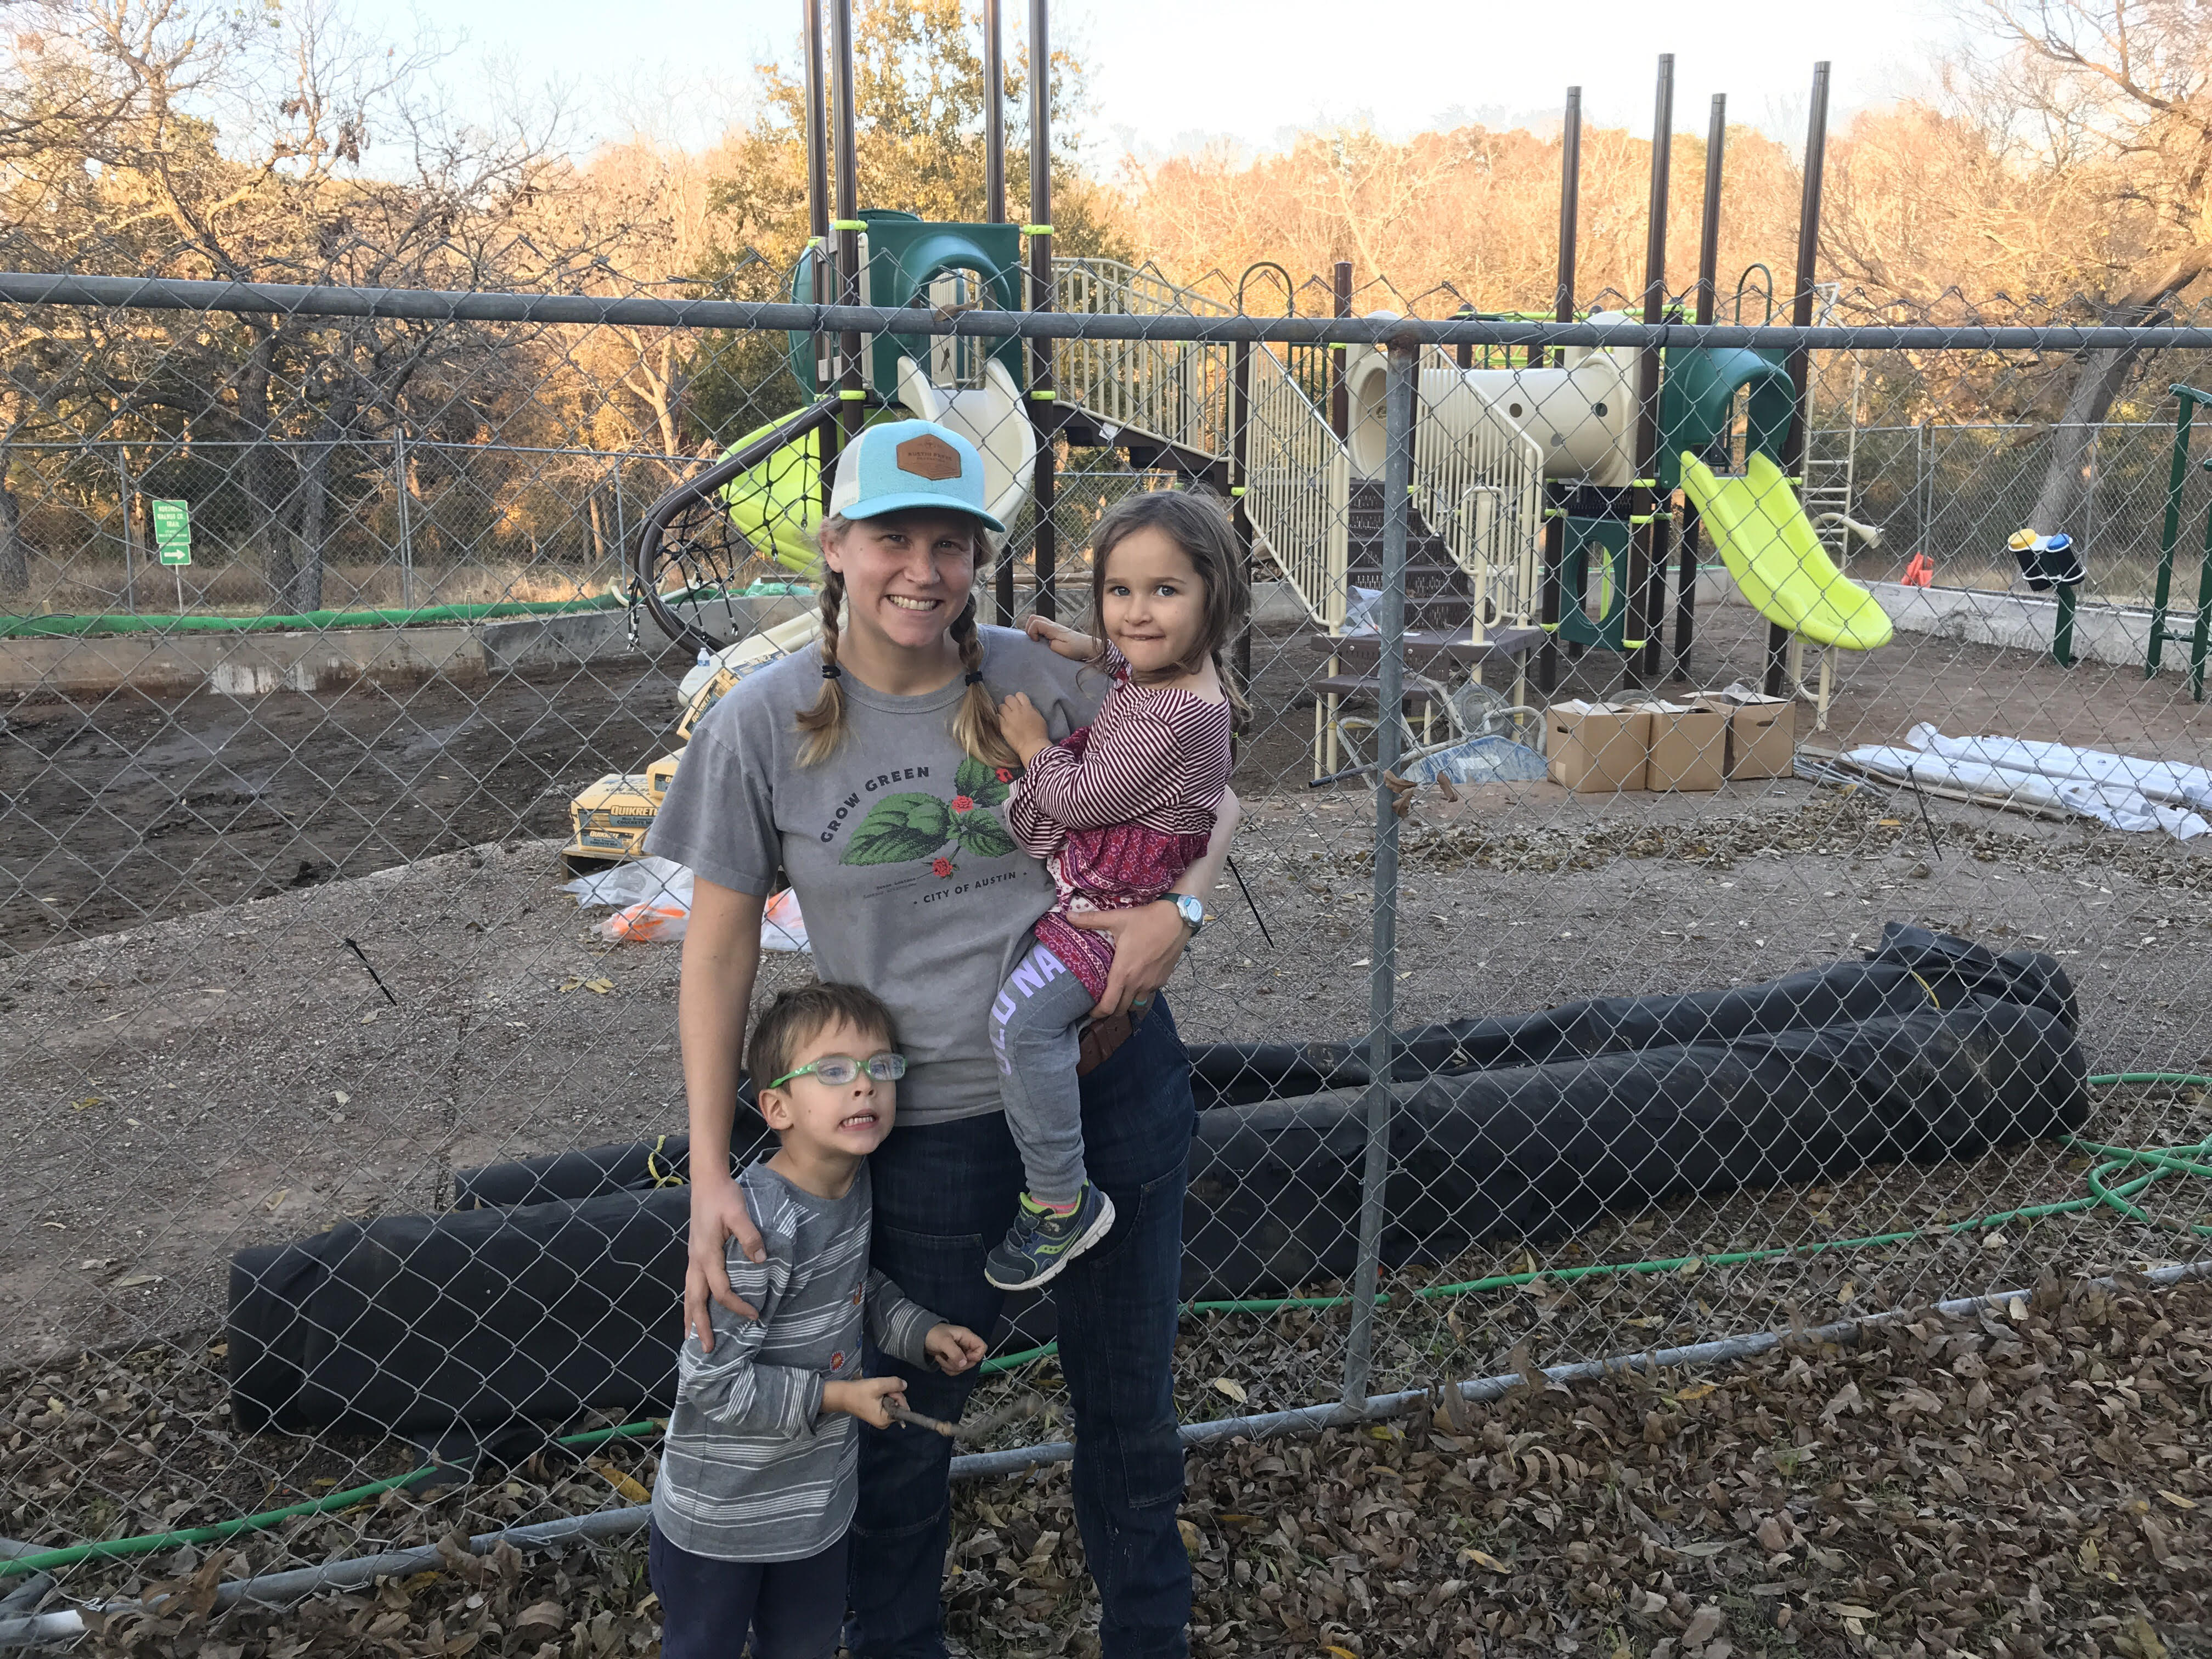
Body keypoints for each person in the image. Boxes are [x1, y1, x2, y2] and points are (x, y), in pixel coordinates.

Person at [644, 417, 1239, 1659]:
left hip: (1105, 1090)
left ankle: (1152, 1635)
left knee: (1130, 1411)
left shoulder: (1048, 682)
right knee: (905, 1435)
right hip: (919, 1138)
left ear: (980, 558)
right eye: (892, 539)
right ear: (835, 547)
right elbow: (717, 951)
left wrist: (1181, 905)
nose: (924, 570)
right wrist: (711, 1173)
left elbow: (1212, 783)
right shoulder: (761, 725)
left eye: (953, 544)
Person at [650, 981, 986, 1659]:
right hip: (724, 1519)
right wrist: (838, 1398)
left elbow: (855, 1290)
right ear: (776, 1107)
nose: (863, 1087)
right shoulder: (757, 1229)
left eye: (879, 1067)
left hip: (816, 1510)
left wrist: (919, 1331)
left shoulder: (853, 1184)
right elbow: (713, 1385)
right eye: (833, 1072)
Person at [983, 492, 1244, 1290]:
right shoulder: (1173, 675)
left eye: (1166, 591)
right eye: (1119, 591)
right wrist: (1083, 647)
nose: (1138, 612)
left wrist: (1032, 747)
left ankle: (1061, 1201)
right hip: (1116, 885)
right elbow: (1136, 657)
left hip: (1110, 911)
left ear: (1217, 599)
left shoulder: (1176, 722)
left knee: (1021, 1024)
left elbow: (1080, 800)